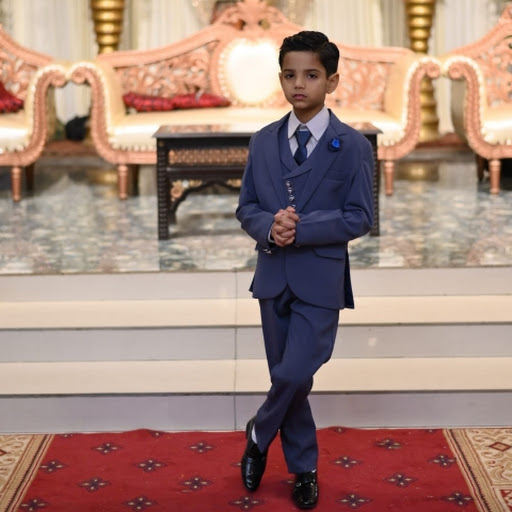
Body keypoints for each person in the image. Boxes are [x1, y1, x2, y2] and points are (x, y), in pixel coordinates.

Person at [235, 31, 374, 509]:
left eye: (311, 75)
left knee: (294, 373)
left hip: (320, 278)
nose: (299, 84)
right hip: (273, 276)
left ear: (331, 81)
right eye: (290, 75)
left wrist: (303, 228)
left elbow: (360, 216)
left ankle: (259, 431)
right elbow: (246, 207)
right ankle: (305, 470)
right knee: (287, 377)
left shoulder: (352, 146)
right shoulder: (263, 142)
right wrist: (269, 227)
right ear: (280, 79)